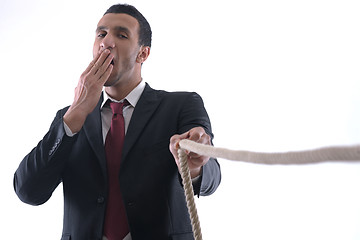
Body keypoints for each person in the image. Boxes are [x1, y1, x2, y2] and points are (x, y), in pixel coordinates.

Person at [13, 4, 221, 240]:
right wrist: (75, 114)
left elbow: (212, 179)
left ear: (143, 53)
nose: (106, 42)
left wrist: (195, 165)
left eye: (121, 35)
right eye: (101, 34)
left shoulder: (182, 105)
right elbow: (28, 191)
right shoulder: (68, 118)